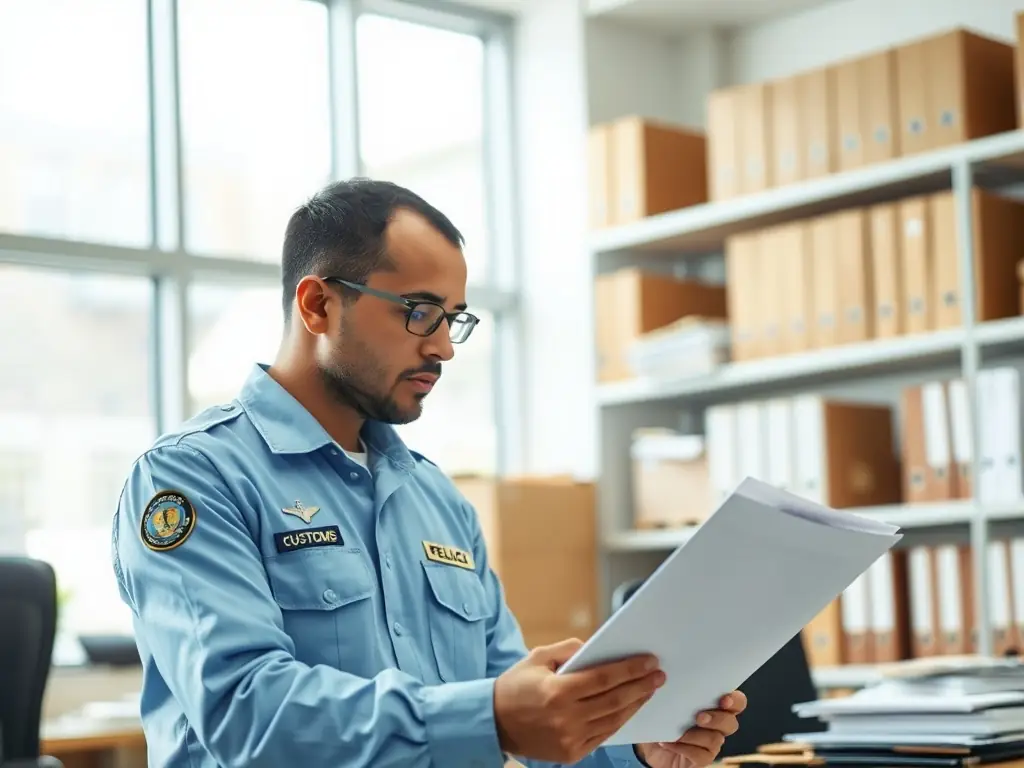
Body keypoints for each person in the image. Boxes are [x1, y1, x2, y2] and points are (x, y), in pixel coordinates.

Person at [111, 179, 748, 768]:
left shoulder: (436, 498)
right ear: (317, 305)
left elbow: (523, 718)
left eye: (455, 318)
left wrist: (634, 747)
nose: (443, 346)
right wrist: (489, 716)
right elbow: (244, 713)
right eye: (419, 311)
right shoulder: (192, 479)